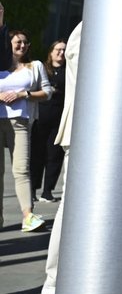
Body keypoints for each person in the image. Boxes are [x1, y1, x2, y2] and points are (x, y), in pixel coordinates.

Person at [40, 22, 82, 294]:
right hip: (87, 131)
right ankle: (55, 280)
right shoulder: (92, 24)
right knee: (71, 207)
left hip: (98, 132)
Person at [1, 29, 53, 232]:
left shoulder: (35, 66)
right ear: (8, 44)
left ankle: (28, 216)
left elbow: (47, 92)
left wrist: (25, 93)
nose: (22, 46)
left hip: (21, 122)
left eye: (25, 42)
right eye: (17, 42)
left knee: (21, 169)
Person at [31, 39, 67, 203]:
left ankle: (47, 191)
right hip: (41, 117)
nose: (61, 53)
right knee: (36, 155)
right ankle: (32, 189)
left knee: (54, 156)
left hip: (58, 119)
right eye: (58, 49)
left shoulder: (69, 71)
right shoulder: (43, 69)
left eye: (64, 50)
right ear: (51, 52)